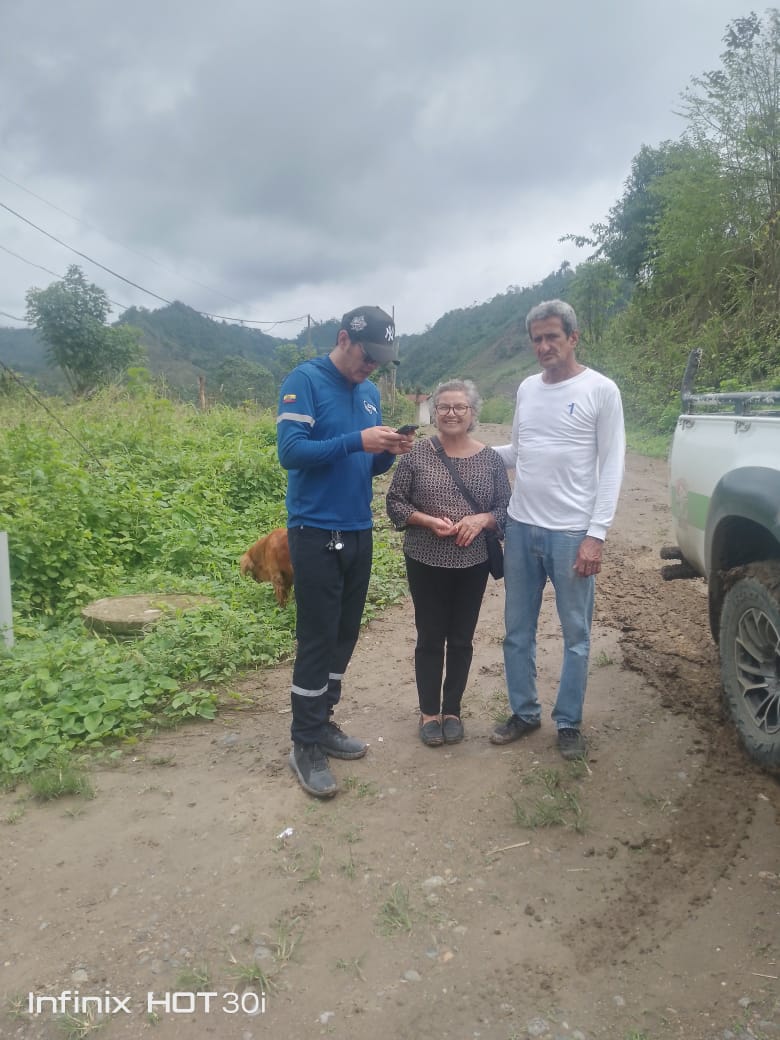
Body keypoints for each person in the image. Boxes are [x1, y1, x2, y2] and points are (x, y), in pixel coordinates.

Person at [276, 305, 414, 798]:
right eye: (366, 355)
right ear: (342, 339)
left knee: (344, 633)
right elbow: (291, 452)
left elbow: (364, 465)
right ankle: (305, 742)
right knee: (317, 638)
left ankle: (324, 720)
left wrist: (386, 453)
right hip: (315, 529)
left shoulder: (370, 393)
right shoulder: (306, 380)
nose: (371, 366)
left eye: (380, 360)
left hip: (358, 528)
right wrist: (356, 440)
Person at [491, 299, 625, 760]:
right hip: (521, 528)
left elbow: (612, 465)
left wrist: (596, 534)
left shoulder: (600, 390)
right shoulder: (527, 389)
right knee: (516, 631)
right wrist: (463, 449)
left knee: (576, 636)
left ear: (573, 337)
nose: (544, 346)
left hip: (571, 534)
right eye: (537, 339)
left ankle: (568, 722)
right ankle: (524, 712)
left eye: (552, 336)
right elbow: (517, 451)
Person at [386, 379, 511, 746]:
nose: (451, 413)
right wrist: (425, 520)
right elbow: (395, 502)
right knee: (429, 636)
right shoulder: (416, 455)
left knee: (461, 638)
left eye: (460, 407)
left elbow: (505, 508)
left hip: (473, 563)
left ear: (472, 413)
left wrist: (483, 519)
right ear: (434, 412)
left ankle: (452, 710)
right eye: (444, 407)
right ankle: (429, 712)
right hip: (424, 558)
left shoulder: (491, 459)